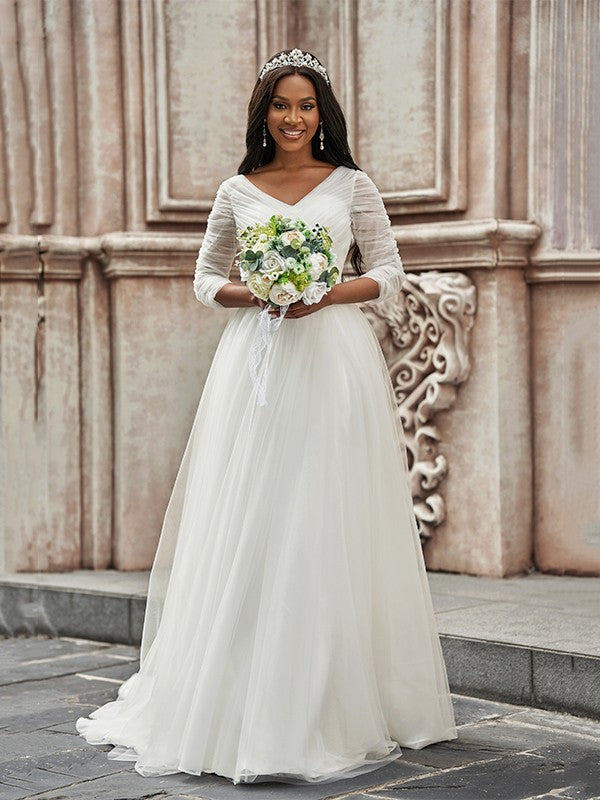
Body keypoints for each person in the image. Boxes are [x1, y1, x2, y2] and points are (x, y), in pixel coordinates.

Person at [75, 48, 458, 785]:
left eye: (306, 106)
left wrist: (321, 295)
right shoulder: (237, 190)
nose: (293, 118)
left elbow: (388, 272)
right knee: (254, 512)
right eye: (281, 105)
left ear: (323, 115)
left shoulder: (352, 185)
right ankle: (238, 694)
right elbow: (204, 279)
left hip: (332, 362)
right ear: (264, 115)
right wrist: (261, 295)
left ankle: (332, 696)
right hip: (256, 362)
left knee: (323, 511)